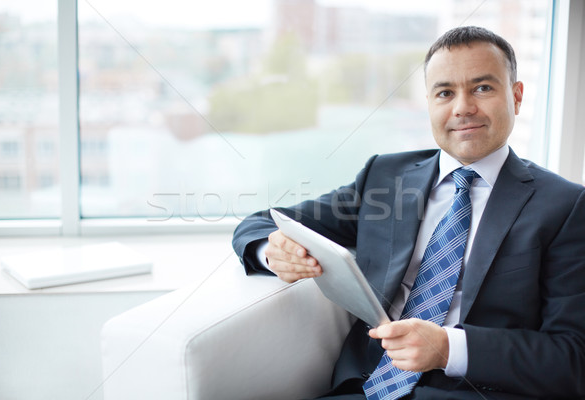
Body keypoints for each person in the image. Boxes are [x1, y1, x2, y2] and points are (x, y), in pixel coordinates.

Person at [232, 26, 585, 399]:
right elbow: (264, 221)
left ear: (516, 97)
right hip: (364, 386)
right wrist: (270, 252)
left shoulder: (565, 207)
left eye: (482, 88)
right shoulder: (385, 177)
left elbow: (573, 358)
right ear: (429, 104)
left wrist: (448, 348)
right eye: (445, 92)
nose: (462, 107)